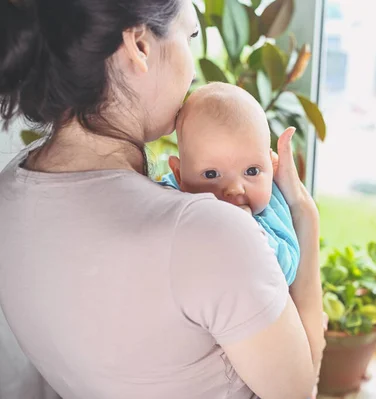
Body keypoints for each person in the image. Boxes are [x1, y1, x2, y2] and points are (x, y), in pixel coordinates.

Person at [0, 0, 325, 399]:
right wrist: (305, 221)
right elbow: (298, 390)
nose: (191, 66)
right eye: (190, 36)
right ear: (139, 44)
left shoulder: (8, 196)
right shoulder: (209, 235)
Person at [160, 82, 301, 286]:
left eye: (251, 171)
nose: (235, 188)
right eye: (211, 174)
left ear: (271, 166)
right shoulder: (168, 197)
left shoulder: (271, 207)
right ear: (179, 175)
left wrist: (251, 234)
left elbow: (287, 270)